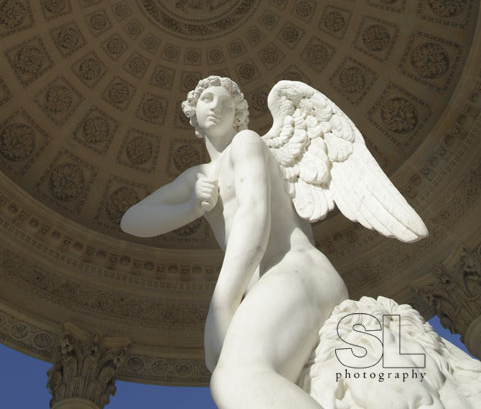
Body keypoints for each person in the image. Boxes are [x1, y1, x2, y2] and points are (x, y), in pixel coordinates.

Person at [121, 75, 348, 409]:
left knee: (236, 378)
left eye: (227, 104)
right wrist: (189, 208)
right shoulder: (198, 176)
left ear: (239, 116)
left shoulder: (246, 143)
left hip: (298, 270)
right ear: (193, 111)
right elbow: (132, 221)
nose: (217, 107)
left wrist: (223, 303)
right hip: (274, 284)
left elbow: (253, 216)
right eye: (208, 99)